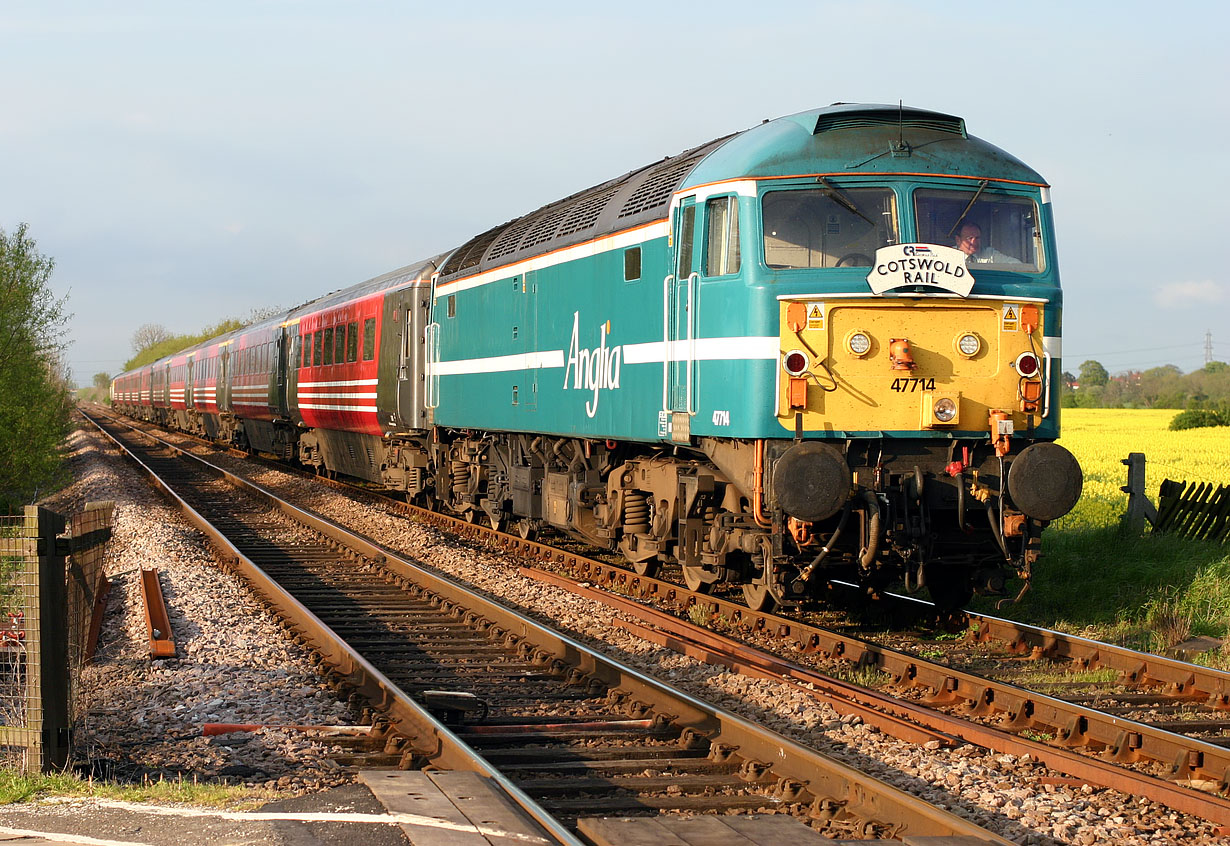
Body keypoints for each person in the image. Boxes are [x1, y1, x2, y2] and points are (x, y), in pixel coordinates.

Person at [953, 222, 1022, 266]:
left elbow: (1017, 265)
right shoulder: (948, 255)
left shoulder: (989, 254)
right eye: (969, 238)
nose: (974, 242)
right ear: (958, 240)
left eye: (977, 238)